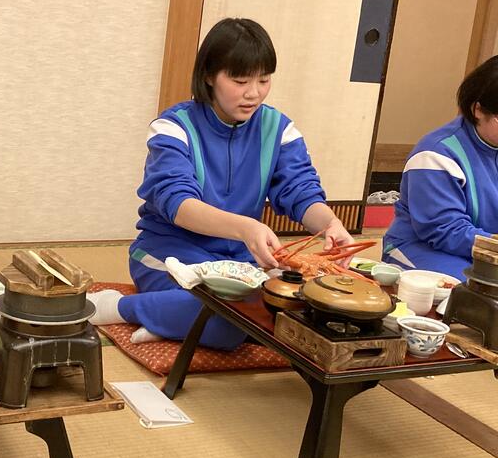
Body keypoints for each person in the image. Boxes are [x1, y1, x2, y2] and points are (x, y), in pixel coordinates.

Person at [88, 18, 354, 350]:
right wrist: (245, 228)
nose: (253, 93)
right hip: (169, 254)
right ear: (209, 75)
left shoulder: (279, 129)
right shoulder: (174, 127)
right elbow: (178, 204)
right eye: (240, 80)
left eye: (264, 80)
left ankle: (171, 321)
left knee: (295, 309)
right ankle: (119, 307)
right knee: (232, 319)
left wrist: (330, 224)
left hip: (239, 266)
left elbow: (300, 191)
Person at [382, 56, 498, 281]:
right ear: (478, 109)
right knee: (471, 293)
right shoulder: (437, 153)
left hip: (484, 252)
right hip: (422, 247)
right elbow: (445, 229)